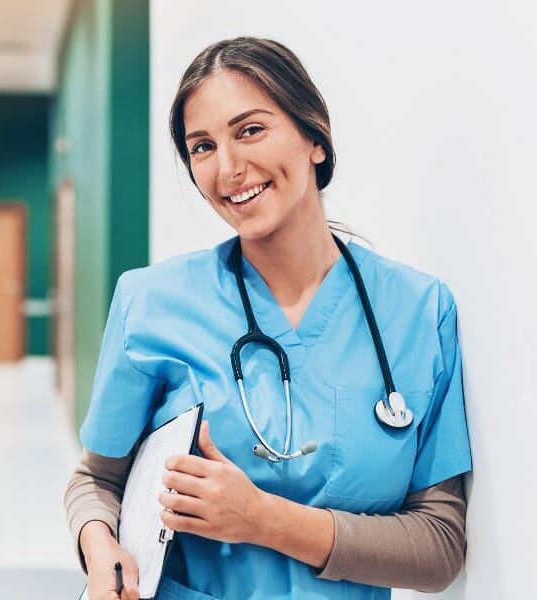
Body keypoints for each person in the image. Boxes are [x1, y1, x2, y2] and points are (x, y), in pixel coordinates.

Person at [65, 37, 472, 600]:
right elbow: (96, 479)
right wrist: (99, 547)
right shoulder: (151, 302)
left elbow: (439, 547)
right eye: (202, 146)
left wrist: (261, 519)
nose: (229, 167)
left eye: (250, 130)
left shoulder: (419, 312)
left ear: (315, 140)